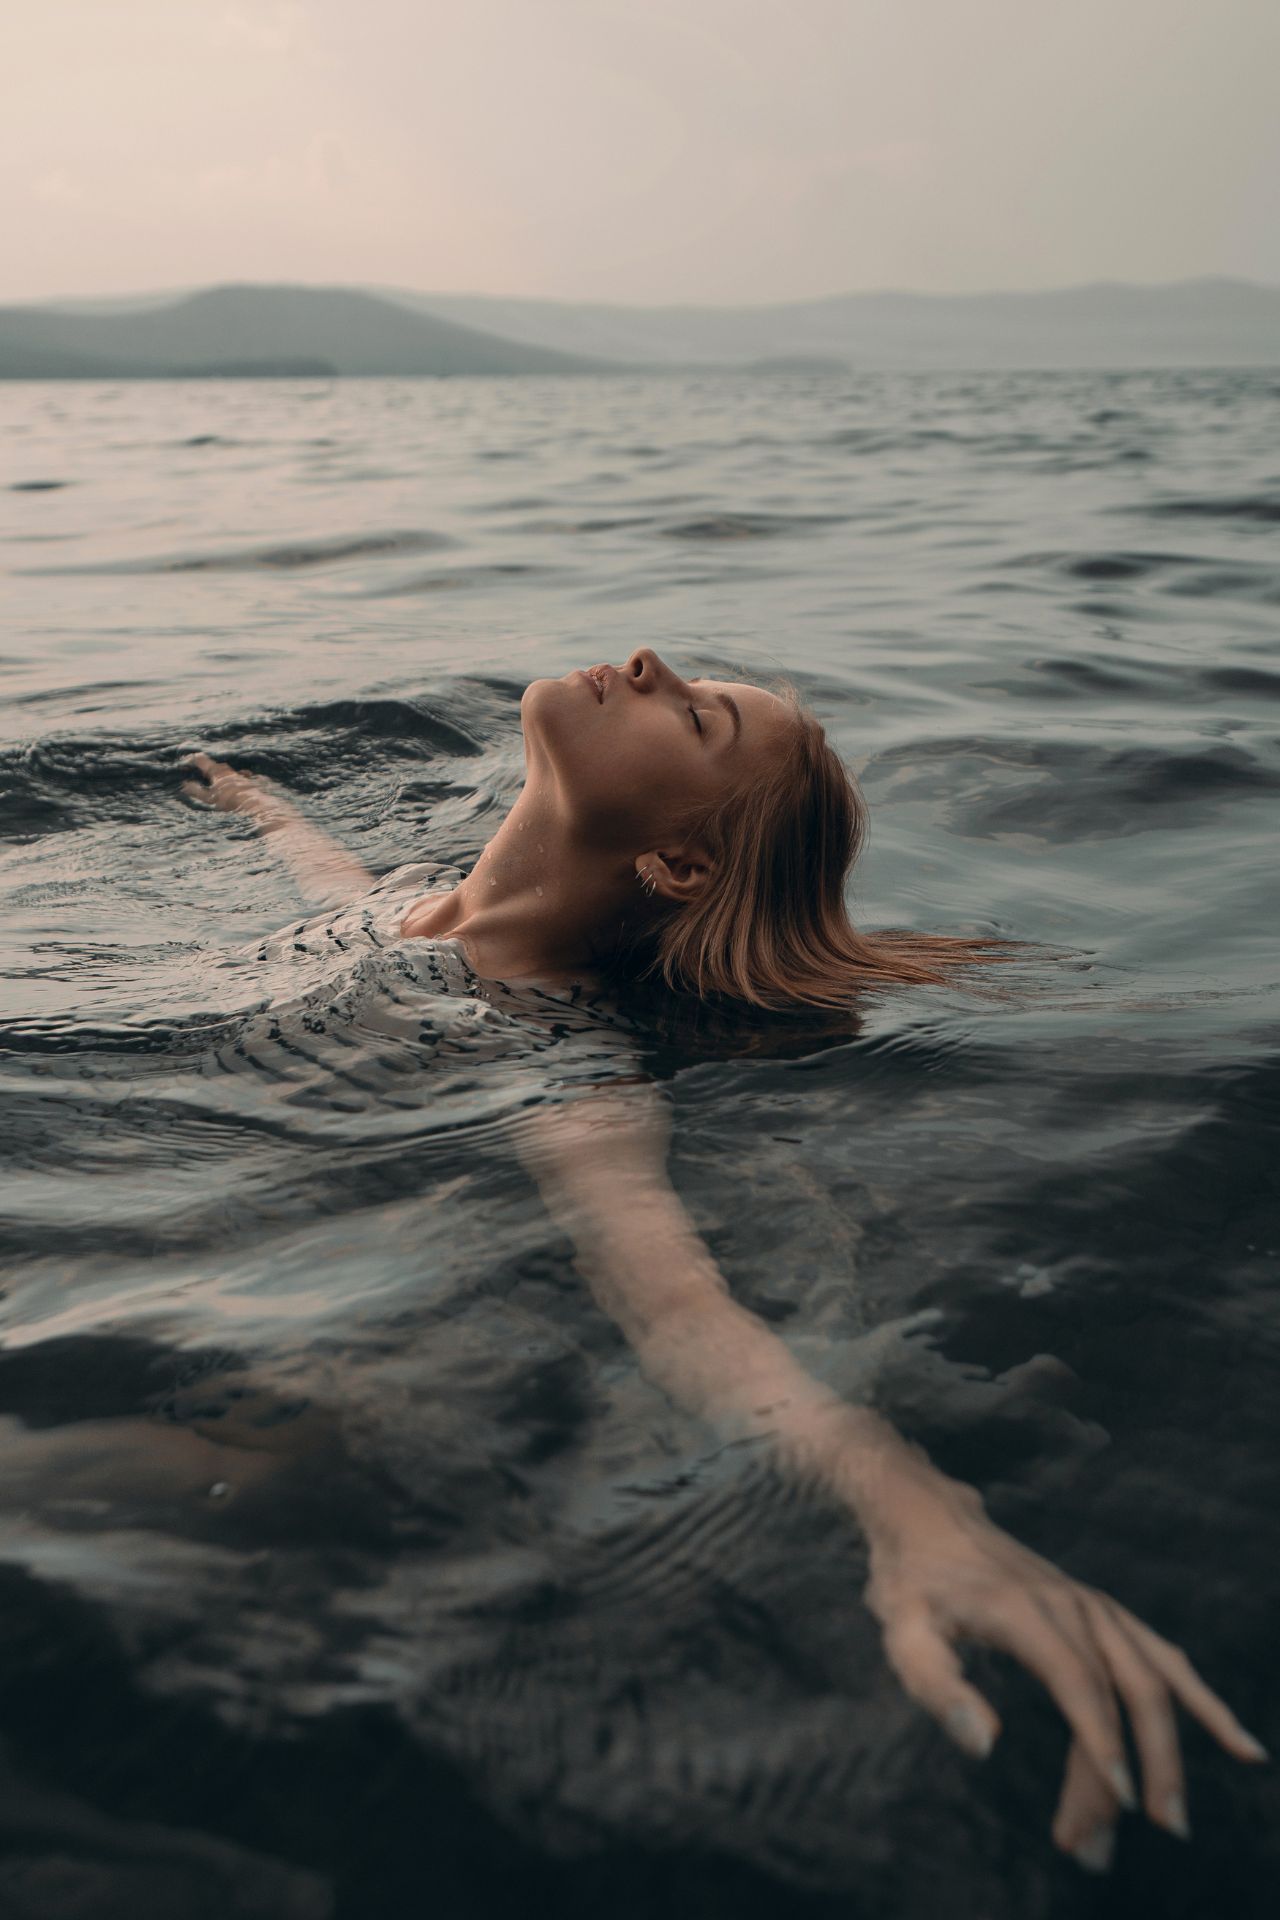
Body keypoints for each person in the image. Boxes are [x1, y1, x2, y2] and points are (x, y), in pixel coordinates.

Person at [182, 645, 1266, 1874]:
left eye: (694, 718)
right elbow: (341, 889)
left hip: (315, 1355)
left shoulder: (561, 1068)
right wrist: (260, 806)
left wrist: (914, 1514)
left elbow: (681, 1309)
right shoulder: (419, 901)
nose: (648, 663)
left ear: (682, 863)